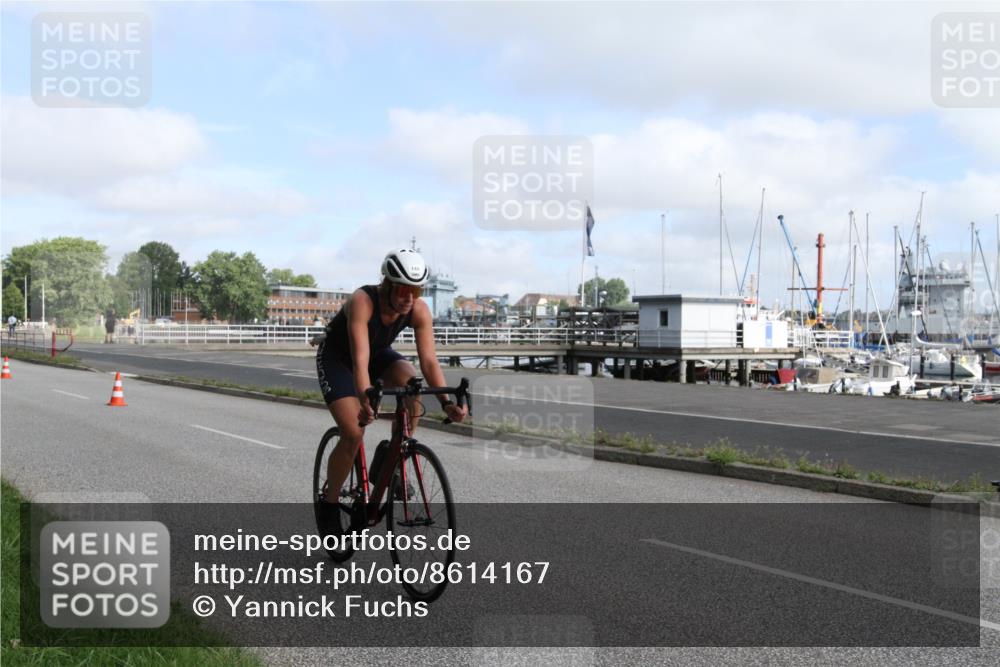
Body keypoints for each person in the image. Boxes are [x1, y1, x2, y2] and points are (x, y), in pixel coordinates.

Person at [314, 249, 467, 513]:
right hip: (339, 357)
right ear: (387, 285)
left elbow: (429, 361)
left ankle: (391, 457)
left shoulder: (418, 310)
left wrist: (445, 402)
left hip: (375, 354)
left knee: (412, 384)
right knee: (353, 432)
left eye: (416, 291)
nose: (409, 298)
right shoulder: (363, 301)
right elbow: (359, 362)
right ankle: (329, 503)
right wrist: (366, 400)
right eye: (402, 290)